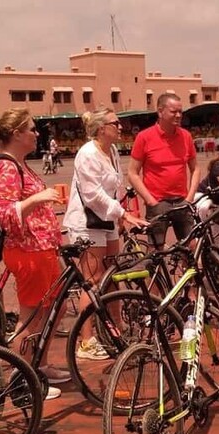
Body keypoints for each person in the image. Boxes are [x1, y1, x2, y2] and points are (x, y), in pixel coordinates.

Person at [0, 108, 68, 400]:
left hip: (42, 250)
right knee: (31, 316)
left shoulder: (19, 164)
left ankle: (39, 364)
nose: (37, 134)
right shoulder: (6, 167)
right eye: (32, 129)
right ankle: (20, 378)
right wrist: (38, 198)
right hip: (27, 252)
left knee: (51, 309)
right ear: (16, 134)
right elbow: (5, 216)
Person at [64, 109, 148, 360]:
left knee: (112, 275)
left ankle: (115, 328)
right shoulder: (87, 154)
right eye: (116, 123)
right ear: (101, 128)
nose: (121, 127)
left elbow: (113, 188)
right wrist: (123, 214)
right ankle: (86, 341)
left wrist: (121, 215)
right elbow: (93, 195)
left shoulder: (111, 151)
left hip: (107, 219)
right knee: (92, 280)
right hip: (87, 223)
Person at [128, 93, 200, 249]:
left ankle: (188, 273)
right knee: (155, 250)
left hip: (182, 201)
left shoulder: (186, 136)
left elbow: (195, 169)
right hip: (158, 203)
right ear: (160, 112)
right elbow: (132, 173)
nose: (179, 115)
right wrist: (150, 200)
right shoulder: (144, 137)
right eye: (174, 111)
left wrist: (190, 197)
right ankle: (154, 274)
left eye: (181, 111)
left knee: (190, 247)